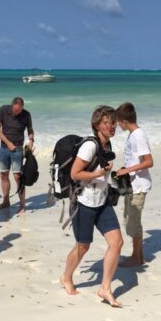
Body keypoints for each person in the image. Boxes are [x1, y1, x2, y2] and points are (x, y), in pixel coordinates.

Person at [60, 105, 124, 308]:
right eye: (107, 123)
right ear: (97, 124)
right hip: (84, 202)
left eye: (114, 123)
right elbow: (75, 174)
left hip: (102, 201)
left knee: (117, 242)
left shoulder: (108, 145)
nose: (112, 126)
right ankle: (66, 277)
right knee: (83, 246)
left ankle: (105, 287)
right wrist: (97, 175)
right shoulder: (90, 146)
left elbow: (102, 173)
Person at [114, 102, 154, 267]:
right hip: (132, 184)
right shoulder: (132, 135)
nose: (117, 125)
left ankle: (136, 257)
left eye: (118, 121)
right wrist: (124, 170)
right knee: (130, 220)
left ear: (124, 120)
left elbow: (149, 162)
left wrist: (127, 170)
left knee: (133, 222)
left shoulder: (138, 135)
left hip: (139, 186)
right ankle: (139, 256)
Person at [0, 97, 35, 213]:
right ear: (12, 106)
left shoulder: (26, 114)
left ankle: (22, 205)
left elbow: (30, 129)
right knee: (3, 175)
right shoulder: (3, 110)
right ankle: (6, 201)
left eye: (20, 110)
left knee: (18, 177)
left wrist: (31, 139)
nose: (18, 113)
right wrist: (7, 143)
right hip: (4, 148)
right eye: (16, 110)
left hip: (17, 149)